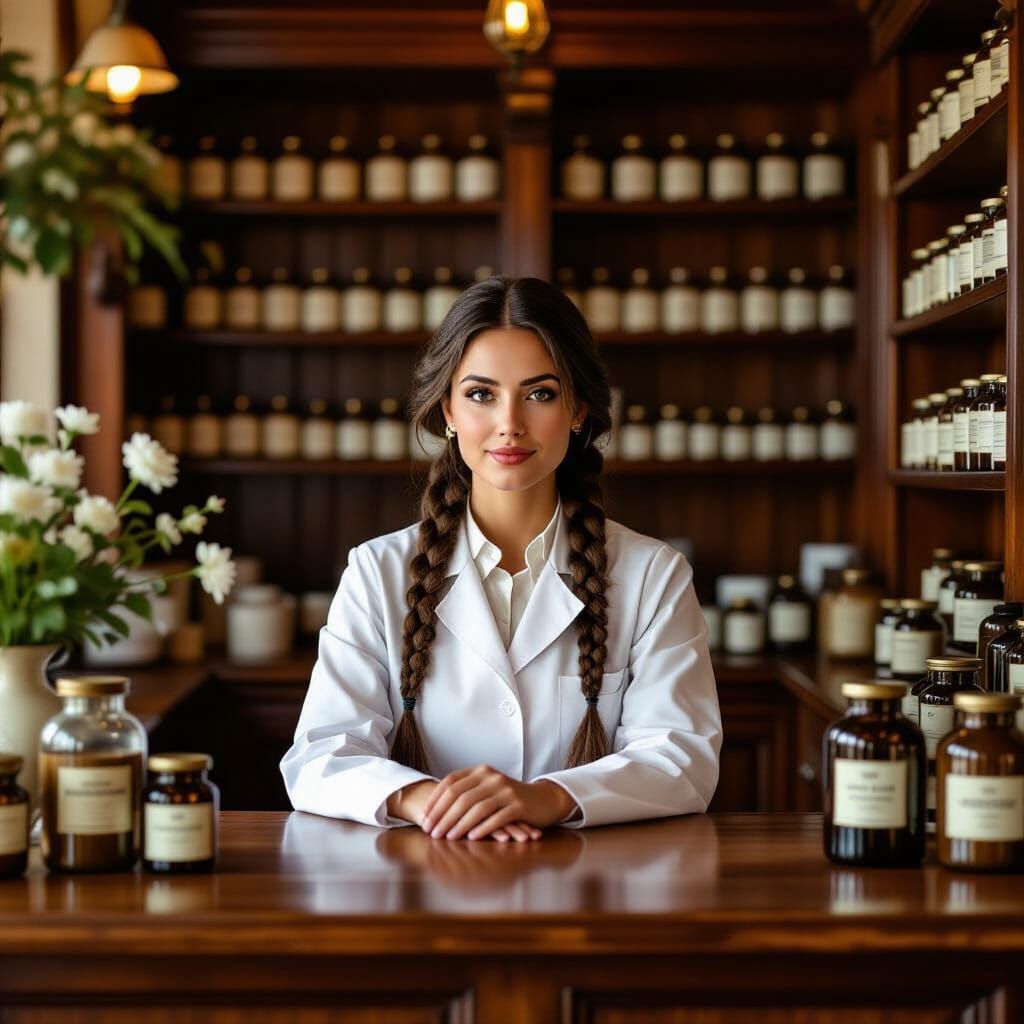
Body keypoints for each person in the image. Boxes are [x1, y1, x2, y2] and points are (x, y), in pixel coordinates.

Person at [280, 275, 722, 842]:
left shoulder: (651, 576)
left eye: (540, 393)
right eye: (481, 394)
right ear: (448, 412)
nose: (509, 422)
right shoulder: (376, 572)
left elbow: (682, 759)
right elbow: (319, 757)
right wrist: (435, 802)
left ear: (580, 409)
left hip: (590, 894)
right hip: (421, 889)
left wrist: (545, 798)